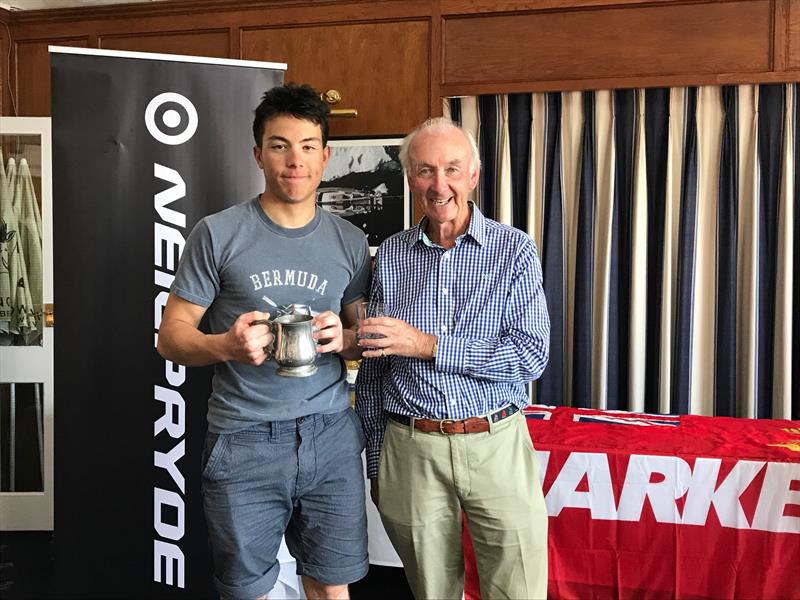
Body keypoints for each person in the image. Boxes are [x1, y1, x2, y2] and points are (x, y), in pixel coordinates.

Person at [157, 83, 371, 600]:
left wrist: (340, 337)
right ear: (258, 154)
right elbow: (171, 337)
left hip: (330, 435)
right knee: (246, 590)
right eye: (279, 145)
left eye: (306, 146)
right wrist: (225, 347)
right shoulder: (218, 233)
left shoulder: (350, 240)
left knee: (330, 583)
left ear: (325, 155)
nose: (294, 161)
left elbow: (361, 341)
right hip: (244, 438)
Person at [355, 117, 550, 599]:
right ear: (409, 178)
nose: (438, 184)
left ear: (473, 176)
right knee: (430, 591)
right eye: (425, 170)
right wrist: (376, 462)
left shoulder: (514, 249)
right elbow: (375, 368)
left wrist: (428, 345)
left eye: (451, 169)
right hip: (410, 448)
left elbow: (531, 356)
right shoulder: (390, 256)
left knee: (518, 587)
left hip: (495, 442)